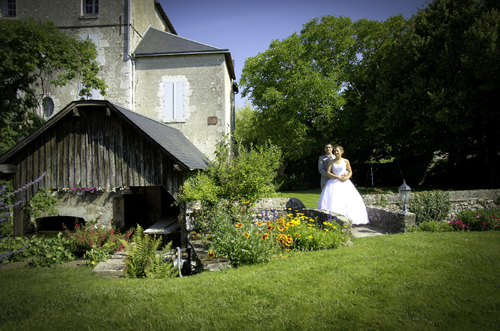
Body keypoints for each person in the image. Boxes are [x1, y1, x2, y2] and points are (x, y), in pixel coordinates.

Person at [317, 146, 369, 225]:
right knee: (335, 200)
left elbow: (350, 171)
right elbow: (328, 173)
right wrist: (338, 177)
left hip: (345, 182)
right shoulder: (331, 162)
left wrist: (347, 177)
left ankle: (350, 218)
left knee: (348, 200)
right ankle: (335, 219)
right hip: (334, 182)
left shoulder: (346, 161)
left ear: (342, 152)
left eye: (338, 151)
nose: (336, 152)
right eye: (335, 151)